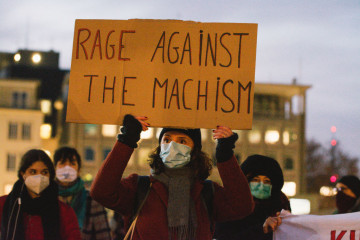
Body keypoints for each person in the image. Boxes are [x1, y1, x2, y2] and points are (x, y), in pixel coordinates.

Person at [90, 114, 254, 240]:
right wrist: (127, 139)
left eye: (182, 141)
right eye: (166, 140)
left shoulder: (207, 192)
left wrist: (225, 155)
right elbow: (101, 191)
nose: (172, 146)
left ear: (194, 151)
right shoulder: (140, 187)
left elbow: (242, 206)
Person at [0, 149, 81, 240]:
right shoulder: (4, 205)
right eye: (33, 172)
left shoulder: (64, 212)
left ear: (50, 176)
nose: (39, 176)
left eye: (44, 172)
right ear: (23, 174)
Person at [215, 154, 291, 240]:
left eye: (266, 181)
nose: (261, 186)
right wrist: (262, 229)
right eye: (256, 180)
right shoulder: (232, 206)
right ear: (246, 182)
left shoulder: (281, 206)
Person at [54, 146, 112, 240]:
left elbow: (103, 235)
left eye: (72, 163)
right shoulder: (47, 198)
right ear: (54, 169)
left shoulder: (92, 200)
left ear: (79, 170)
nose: (67, 168)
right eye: (62, 163)